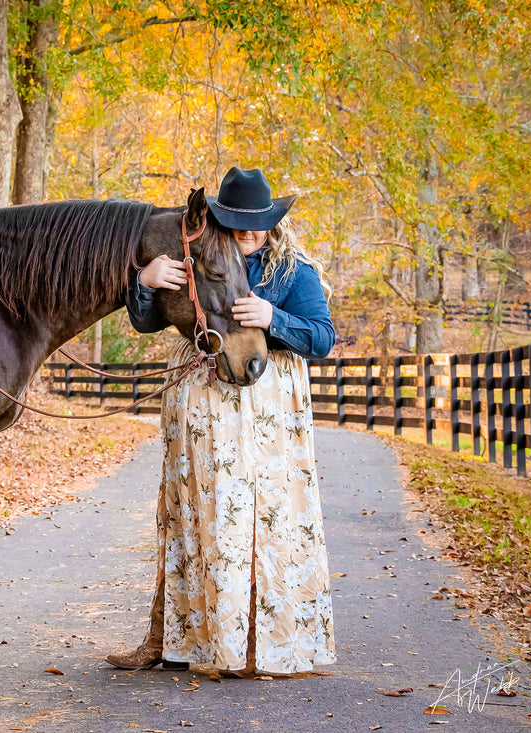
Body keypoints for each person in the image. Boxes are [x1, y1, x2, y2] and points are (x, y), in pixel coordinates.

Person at [107, 167, 337, 676]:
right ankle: (177, 639)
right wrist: (143, 285)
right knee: (193, 513)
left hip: (265, 412)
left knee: (259, 516)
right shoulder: (199, 256)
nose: (250, 232)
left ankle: (259, 643)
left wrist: (273, 319)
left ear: (274, 222)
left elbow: (322, 338)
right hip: (199, 406)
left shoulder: (291, 272)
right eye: (237, 222)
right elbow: (148, 321)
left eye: (260, 222)